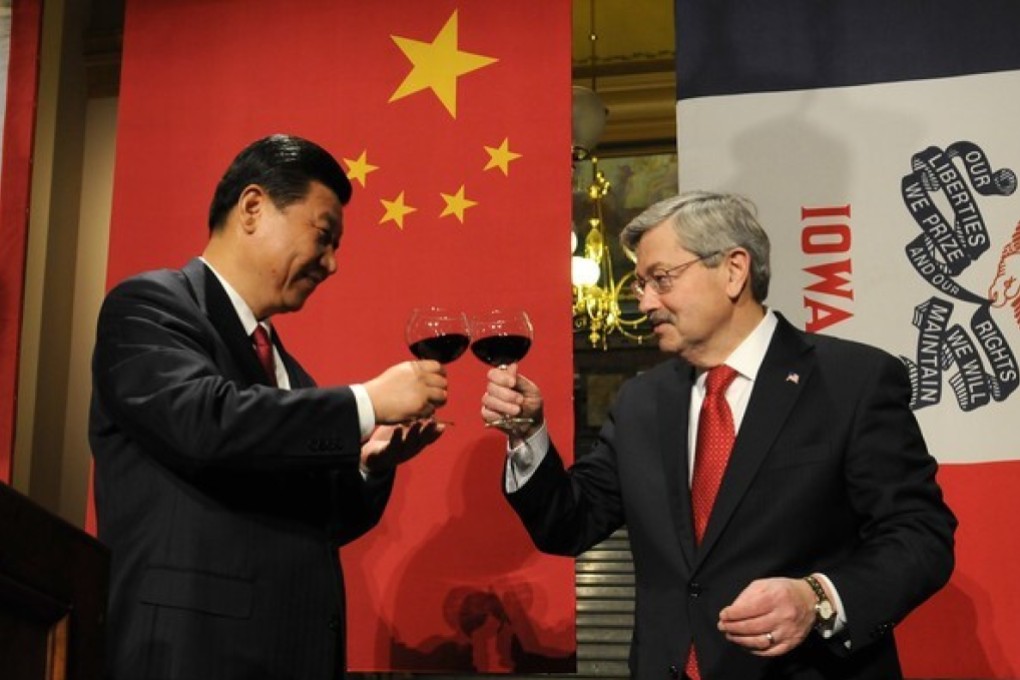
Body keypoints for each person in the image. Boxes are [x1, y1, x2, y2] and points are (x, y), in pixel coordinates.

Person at [480, 191, 956, 679]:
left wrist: (817, 599)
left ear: (733, 270)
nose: (643, 301)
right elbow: (569, 523)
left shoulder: (853, 380)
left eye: (660, 279)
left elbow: (920, 535)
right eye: (640, 283)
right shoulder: (642, 401)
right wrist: (528, 434)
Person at [90, 133, 449, 680]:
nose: (331, 264)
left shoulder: (288, 370)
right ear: (253, 207)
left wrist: (365, 467)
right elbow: (205, 423)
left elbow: (317, 519)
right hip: (189, 651)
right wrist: (367, 401)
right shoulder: (148, 307)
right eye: (323, 236)